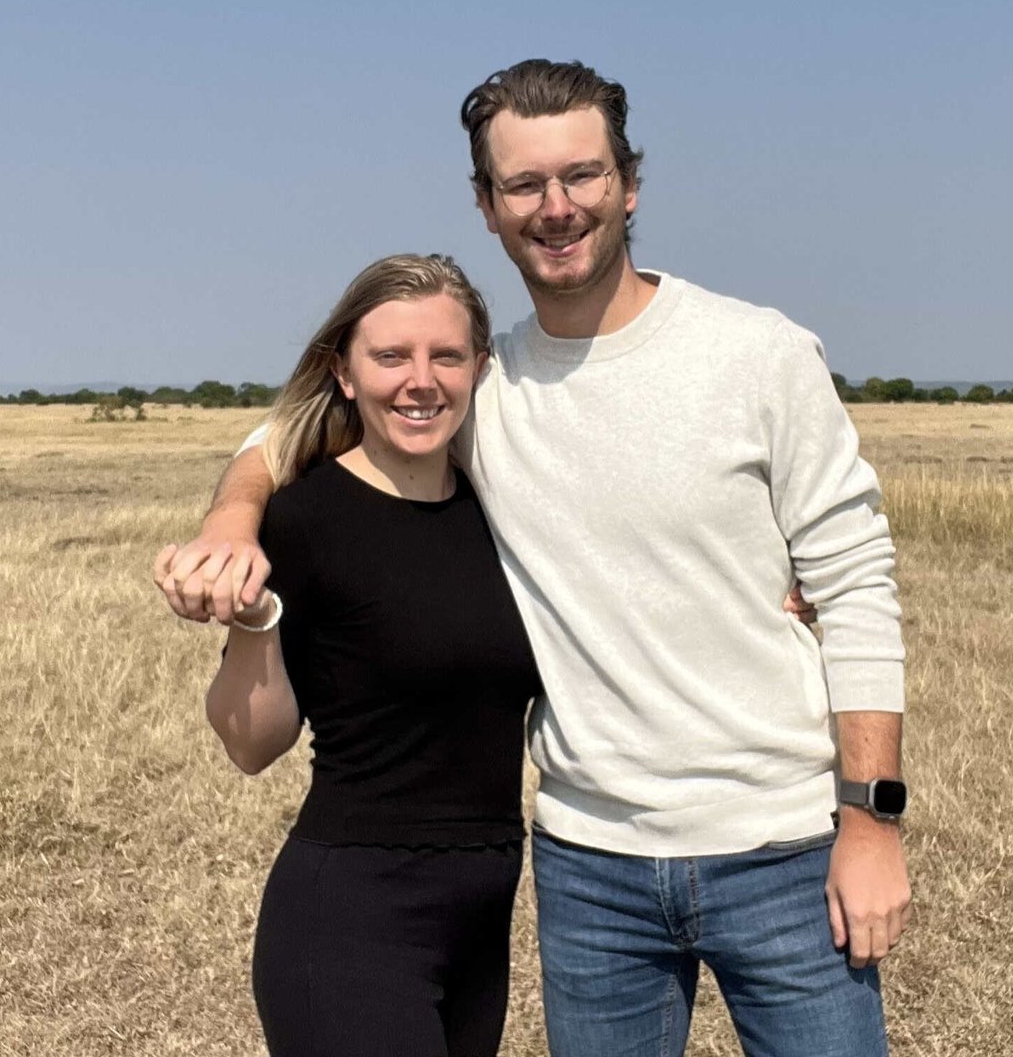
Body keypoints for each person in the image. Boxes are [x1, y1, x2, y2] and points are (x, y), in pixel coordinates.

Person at [160, 60, 911, 1057]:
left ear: (629, 185)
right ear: (487, 206)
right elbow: (289, 429)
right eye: (523, 185)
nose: (556, 208)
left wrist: (871, 821)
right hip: (586, 866)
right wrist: (232, 519)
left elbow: (855, 582)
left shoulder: (756, 356)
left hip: (778, 849)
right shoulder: (484, 385)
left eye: (582, 176)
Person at [194, 253, 542, 1057]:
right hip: (351, 913)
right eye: (390, 356)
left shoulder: (501, 511)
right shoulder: (305, 519)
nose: (420, 380)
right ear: (344, 373)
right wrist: (253, 618)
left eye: (445, 356)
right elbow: (251, 743)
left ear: (479, 368)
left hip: (484, 919)